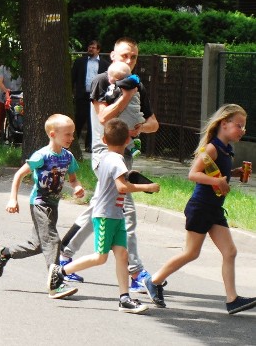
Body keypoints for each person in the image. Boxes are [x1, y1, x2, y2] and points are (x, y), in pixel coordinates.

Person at [59, 37, 159, 290]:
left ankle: (63, 256)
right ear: (112, 55)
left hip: (125, 158)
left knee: (99, 210)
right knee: (126, 213)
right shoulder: (102, 81)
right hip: (105, 156)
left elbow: (154, 124)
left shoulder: (138, 86)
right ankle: (136, 273)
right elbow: (103, 117)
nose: (129, 60)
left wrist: (140, 127)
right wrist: (125, 96)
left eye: (134, 57)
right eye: (125, 55)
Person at [144, 104, 256, 315]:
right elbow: (193, 174)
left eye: (244, 127)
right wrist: (221, 182)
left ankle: (232, 300)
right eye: (239, 126)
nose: (242, 131)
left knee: (230, 251)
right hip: (201, 207)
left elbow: (215, 173)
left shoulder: (225, 149)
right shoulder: (212, 148)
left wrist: (233, 173)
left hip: (214, 208)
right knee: (191, 253)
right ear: (224, 123)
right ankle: (153, 280)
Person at [51, 118, 159, 314]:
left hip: (116, 215)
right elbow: (122, 187)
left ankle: (124, 298)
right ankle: (60, 271)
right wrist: (148, 187)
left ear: (103, 138)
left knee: (122, 255)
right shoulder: (117, 160)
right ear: (128, 140)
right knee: (100, 257)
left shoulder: (105, 158)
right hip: (105, 216)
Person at [0, 114, 85, 299]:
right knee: (52, 240)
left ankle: (4, 253)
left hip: (53, 205)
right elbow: (19, 175)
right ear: (52, 134)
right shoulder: (41, 156)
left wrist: (78, 188)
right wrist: (13, 199)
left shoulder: (68, 157)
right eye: (67, 134)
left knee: (37, 245)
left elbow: (73, 179)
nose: (71, 138)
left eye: (72, 134)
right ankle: (56, 283)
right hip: (40, 203)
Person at [71, 40, 109, 152]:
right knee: (79, 118)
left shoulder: (105, 64)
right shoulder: (80, 62)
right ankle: (73, 143)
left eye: (93, 47)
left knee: (93, 121)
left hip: (97, 96)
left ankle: (89, 145)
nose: (90, 49)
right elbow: (72, 78)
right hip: (82, 95)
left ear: (98, 50)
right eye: (89, 47)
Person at [0, 64, 22, 144]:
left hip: (16, 98)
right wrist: (6, 91)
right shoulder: (3, 67)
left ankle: (16, 135)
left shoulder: (21, 68)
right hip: (3, 96)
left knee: (18, 116)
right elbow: (0, 82)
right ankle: (0, 135)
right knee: (1, 116)